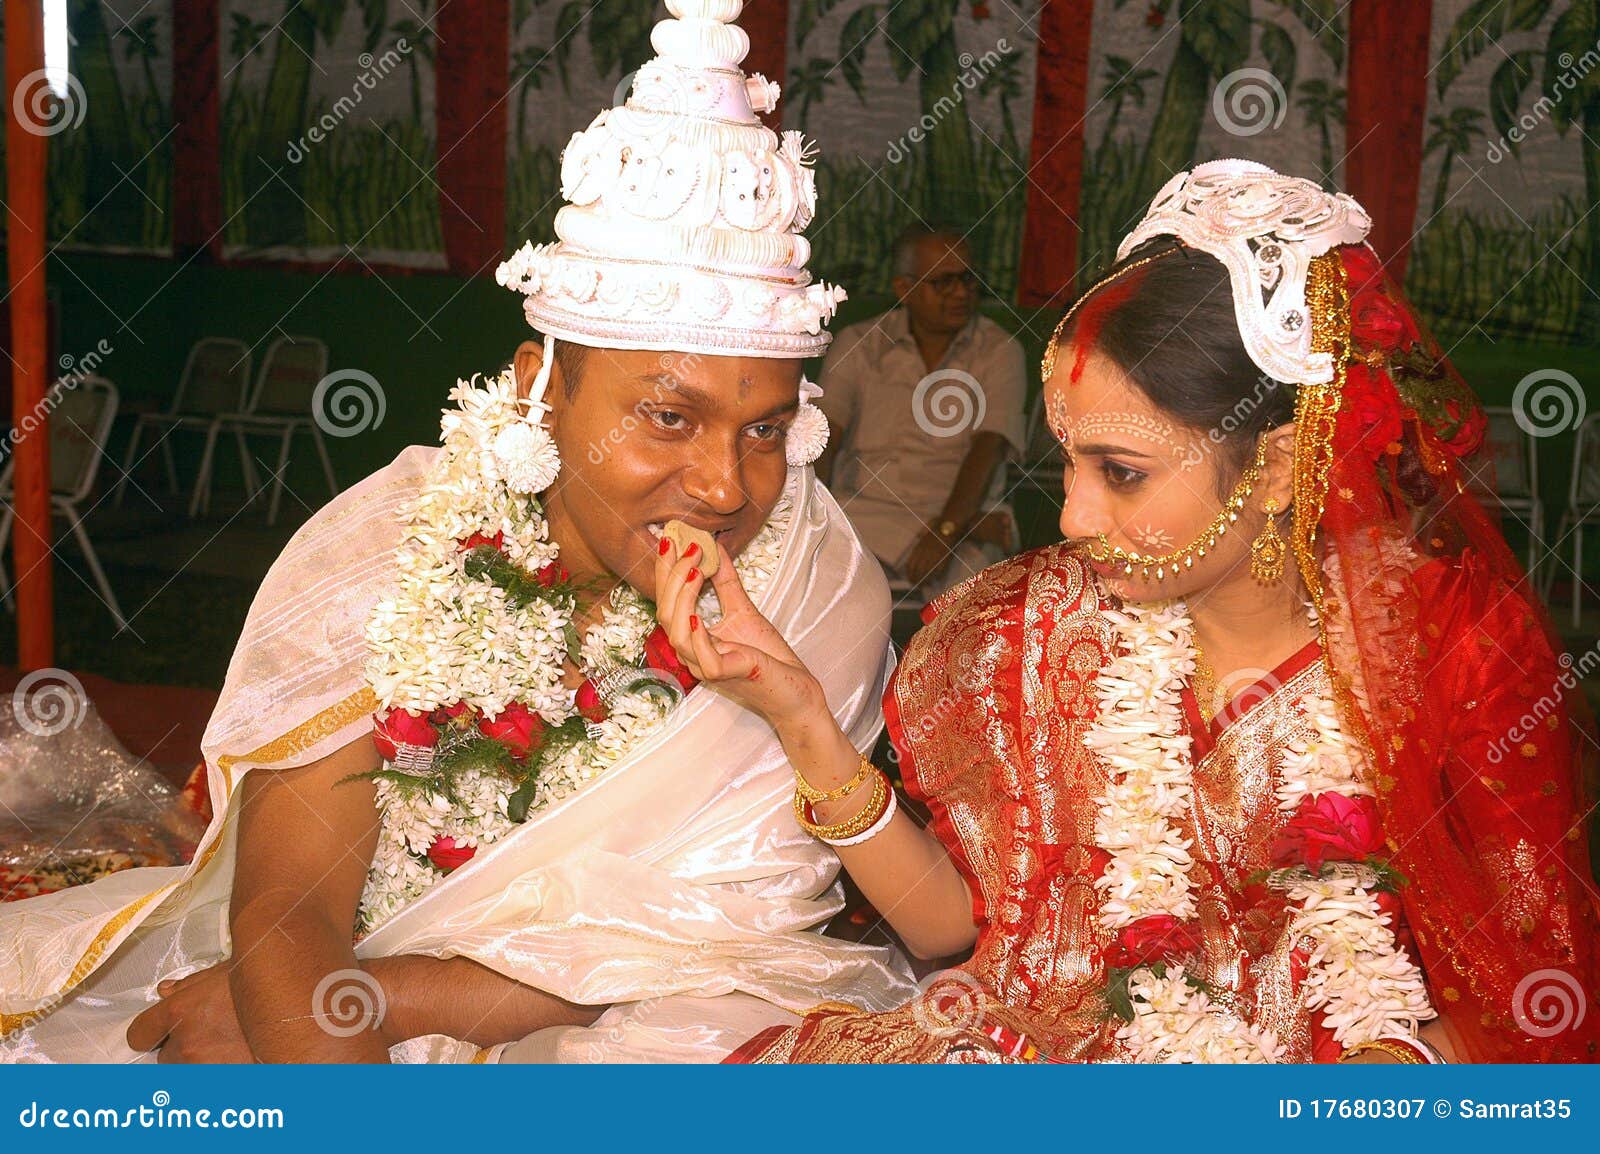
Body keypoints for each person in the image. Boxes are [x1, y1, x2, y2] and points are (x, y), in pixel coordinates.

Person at [0, 0, 915, 1064]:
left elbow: (735, 953)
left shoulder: (816, 585)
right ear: (539, 389)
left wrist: (389, 995)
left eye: (764, 428)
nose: (722, 485)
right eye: (667, 414)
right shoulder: (393, 542)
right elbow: (290, 913)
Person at [650, 160, 1600, 1063]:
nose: (1071, 515)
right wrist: (799, 715)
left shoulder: (1449, 661)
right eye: (1068, 461)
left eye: (1122, 473)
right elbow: (951, 926)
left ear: (1271, 466)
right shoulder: (1033, 630)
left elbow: (1521, 1012)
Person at [816, 224, 1026, 597]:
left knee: (972, 606)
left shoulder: (1000, 350)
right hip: (868, 512)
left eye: (968, 279)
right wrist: (810, 517)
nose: (961, 293)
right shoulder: (861, 344)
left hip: (954, 515)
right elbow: (824, 436)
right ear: (905, 289)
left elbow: (990, 446)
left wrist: (946, 528)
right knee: (819, 573)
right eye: (943, 282)